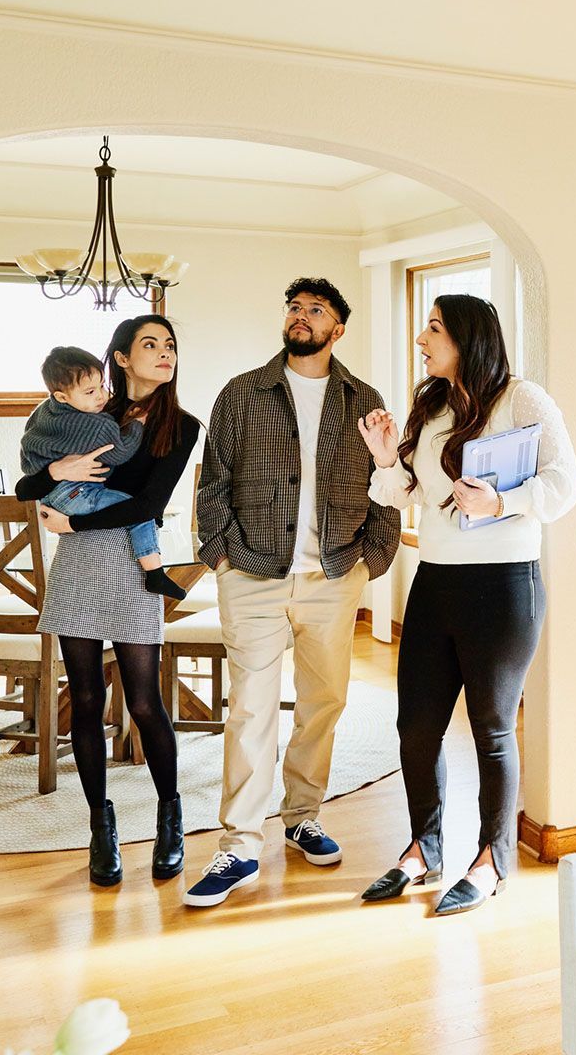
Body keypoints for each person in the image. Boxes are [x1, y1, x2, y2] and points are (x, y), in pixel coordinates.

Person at [356, 293, 576, 916]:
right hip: (435, 581)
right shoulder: (429, 405)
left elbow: (566, 482)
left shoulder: (522, 398)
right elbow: (412, 495)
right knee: (417, 725)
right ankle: (424, 850)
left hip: (505, 586)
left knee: (492, 727)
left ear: (468, 337)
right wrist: (383, 456)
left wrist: (501, 502)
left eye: (433, 328)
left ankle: (492, 859)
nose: (422, 339)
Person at [182, 278, 401, 908]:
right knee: (251, 707)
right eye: (295, 308)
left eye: (316, 311)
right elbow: (212, 481)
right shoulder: (243, 393)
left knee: (323, 701)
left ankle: (303, 813)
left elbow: (390, 476)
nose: (301, 317)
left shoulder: (363, 399)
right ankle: (240, 844)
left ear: (337, 329)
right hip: (253, 572)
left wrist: (372, 559)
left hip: (333, 577)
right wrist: (221, 555)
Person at [14, 315, 199, 888]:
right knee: (87, 699)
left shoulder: (183, 426)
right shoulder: (89, 411)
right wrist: (56, 471)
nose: (164, 353)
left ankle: (171, 815)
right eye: (150, 344)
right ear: (120, 358)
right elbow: (25, 489)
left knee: (145, 703)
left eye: (170, 344)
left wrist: (68, 517)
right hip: (78, 572)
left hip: (131, 565)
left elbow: (148, 503)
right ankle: (102, 824)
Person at [20, 345, 186, 600]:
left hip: (57, 501)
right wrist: (135, 427)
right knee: (142, 516)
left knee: (142, 512)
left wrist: (68, 518)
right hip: (78, 500)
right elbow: (119, 453)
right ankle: (155, 573)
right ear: (122, 358)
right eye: (90, 391)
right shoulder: (93, 423)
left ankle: (154, 575)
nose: (101, 396)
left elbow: (28, 475)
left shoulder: (45, 412)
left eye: (101, 386)